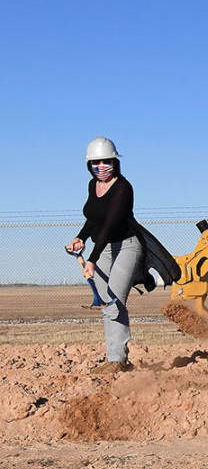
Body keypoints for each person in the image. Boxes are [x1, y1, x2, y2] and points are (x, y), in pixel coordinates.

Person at [69, 137, 146, 374]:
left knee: (114, 299)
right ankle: (114, 358)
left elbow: (110, 224)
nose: (100, 166)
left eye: (106, 161)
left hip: (127, 246)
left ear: (115, 161)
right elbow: (94, 217)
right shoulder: (93, 185)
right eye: (95, 162)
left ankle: (119, 360)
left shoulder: (123, 188)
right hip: (103, 247)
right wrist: (80, 236)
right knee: (104, 301)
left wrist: (91, 259)